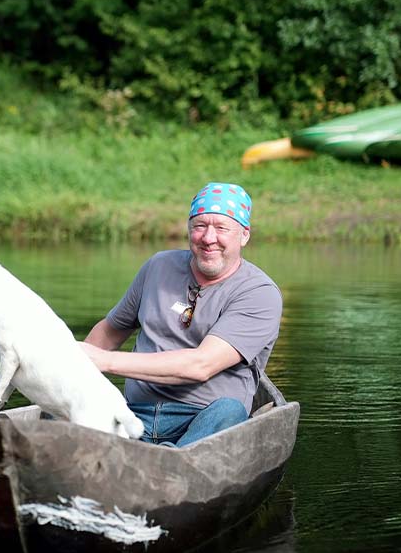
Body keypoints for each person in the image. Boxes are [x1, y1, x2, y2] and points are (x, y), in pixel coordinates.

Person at [81, 182, 282, 447]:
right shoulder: (158, 267)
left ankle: (169, 461)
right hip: (133, 413)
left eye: (221, 228)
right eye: (200, 226)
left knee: (229, 411)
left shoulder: (259, 292)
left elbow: (201, 366)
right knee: (61, 407)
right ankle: (139, 455)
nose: (209, 238)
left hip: (202, 419)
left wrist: (105, 361)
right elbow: (109, 331)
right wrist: (73, 368)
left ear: (244, 235)